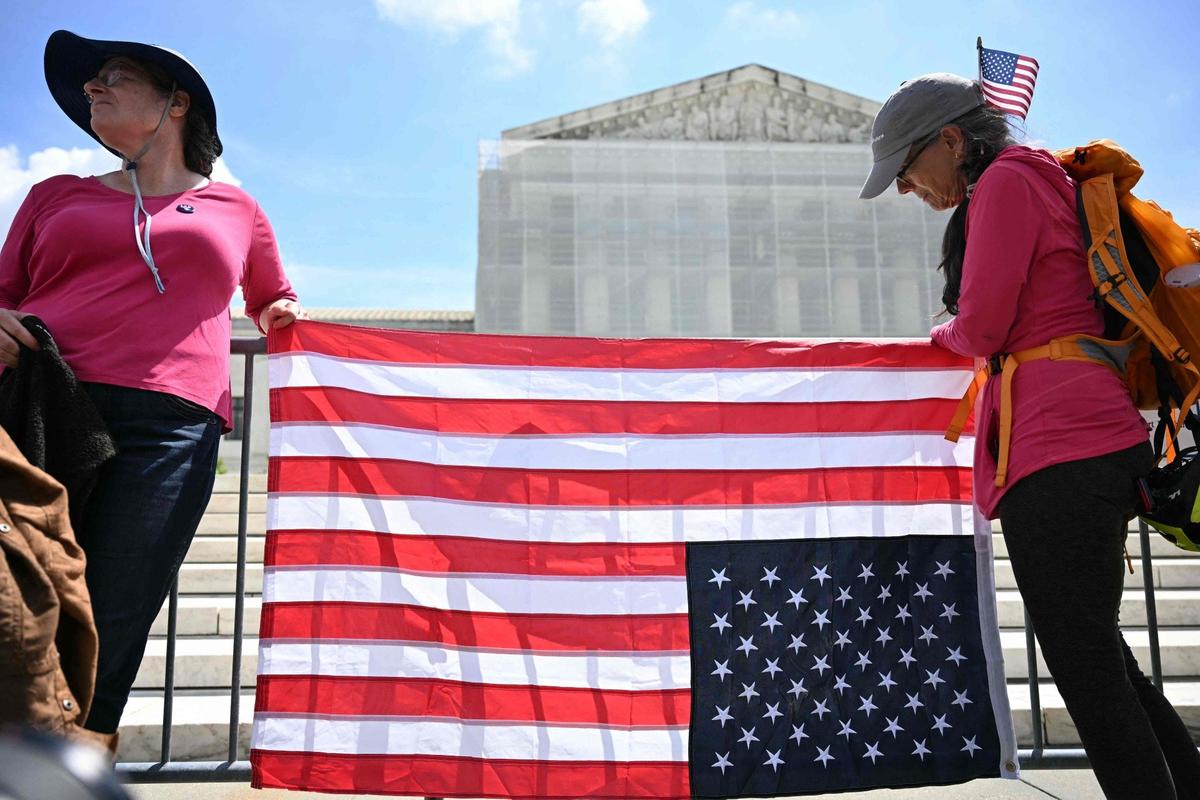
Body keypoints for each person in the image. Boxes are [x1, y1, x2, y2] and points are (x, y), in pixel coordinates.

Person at [859, 73, 1200, 799]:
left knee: (1088, 673)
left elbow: (981, 327)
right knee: (1106, 661)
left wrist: (937, 333)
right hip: (1091, 441)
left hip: (1058, 456)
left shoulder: (1008, 183)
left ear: (953, 140)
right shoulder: (1038, 175)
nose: (905, 190)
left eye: (908, 170)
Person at [0, 30, 303, 749]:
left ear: (175, 103)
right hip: (41, 405)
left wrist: (283, 317)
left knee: (113, 617)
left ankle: (65, 779)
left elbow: (273, 299)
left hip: (170, 428)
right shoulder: (52, 195)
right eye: (92, 82)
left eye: (113, 76)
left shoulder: (240, 209)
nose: (91, 89)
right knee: (19, 597)